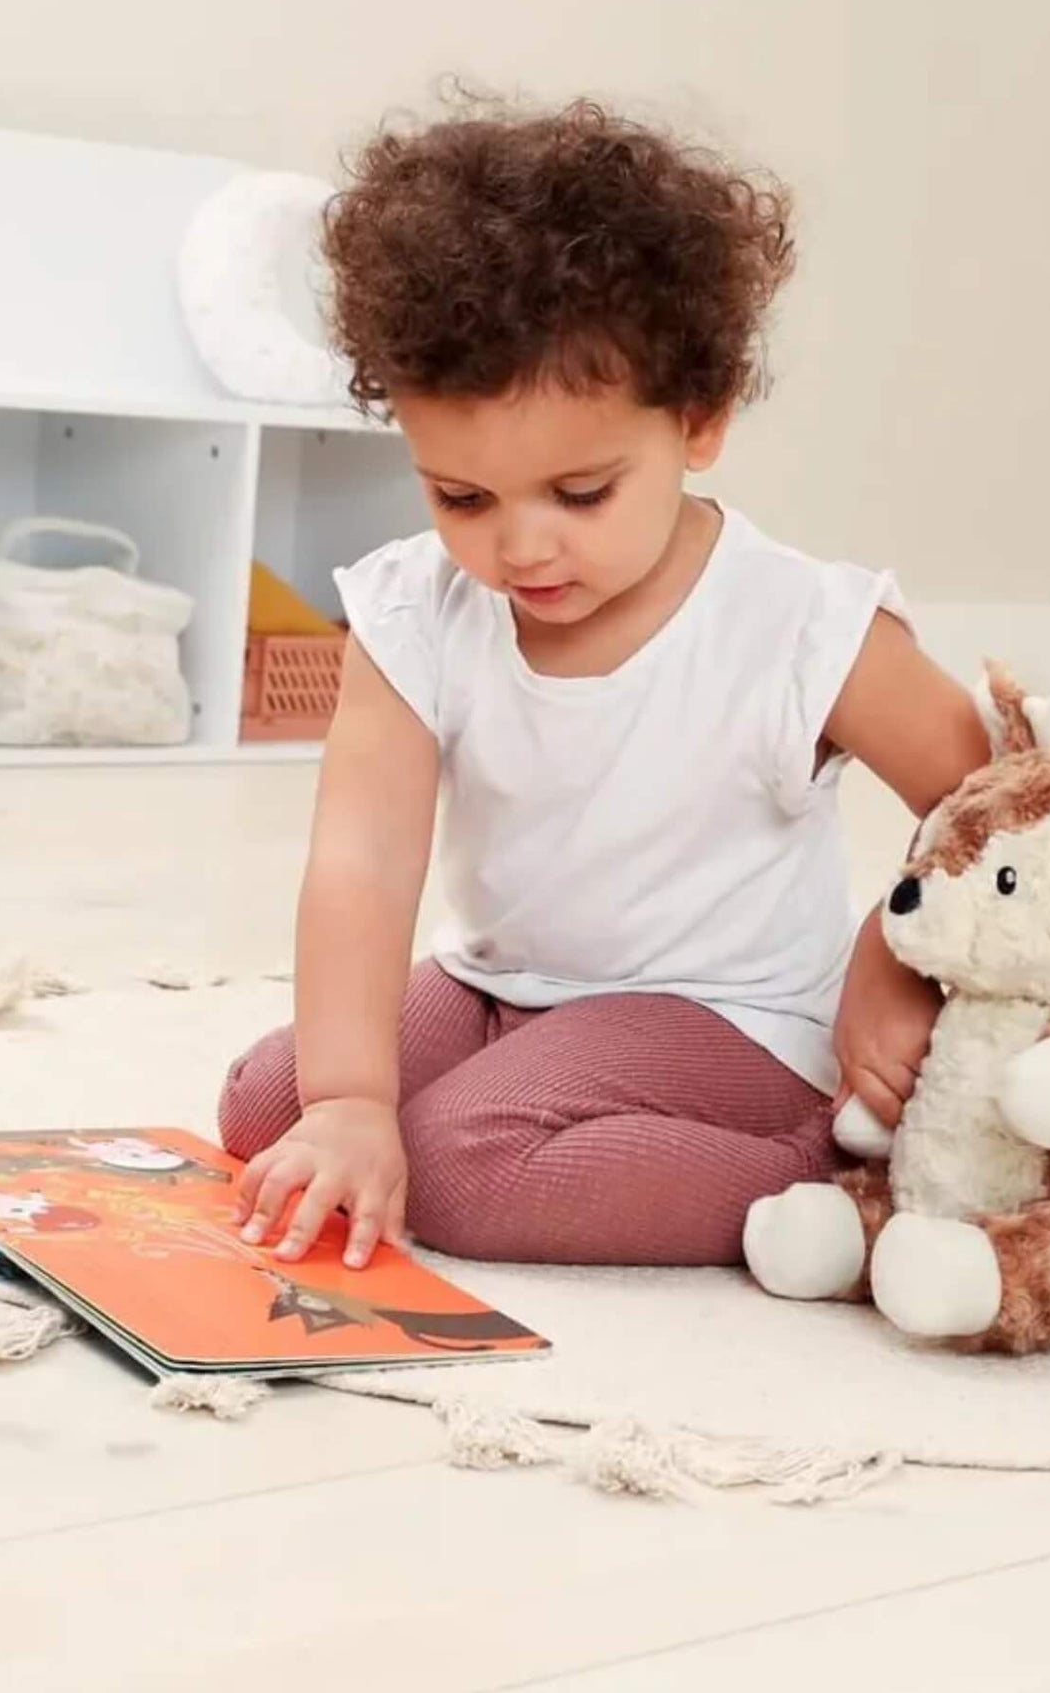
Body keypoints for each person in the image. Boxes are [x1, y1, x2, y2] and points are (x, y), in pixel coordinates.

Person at [219, 97, 991, 1271]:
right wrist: (346, 1102)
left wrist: (887, 966)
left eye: (578, 495)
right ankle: (456, 1103)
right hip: (504, 983)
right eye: (462, 498)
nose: (519, 549)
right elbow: (361, 859)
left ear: (698, 422)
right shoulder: (414, 608)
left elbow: (991, 804)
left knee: (462, 1172)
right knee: (272, 1106)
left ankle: (848, 1173)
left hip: (726, 1014)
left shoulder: (795, 625)